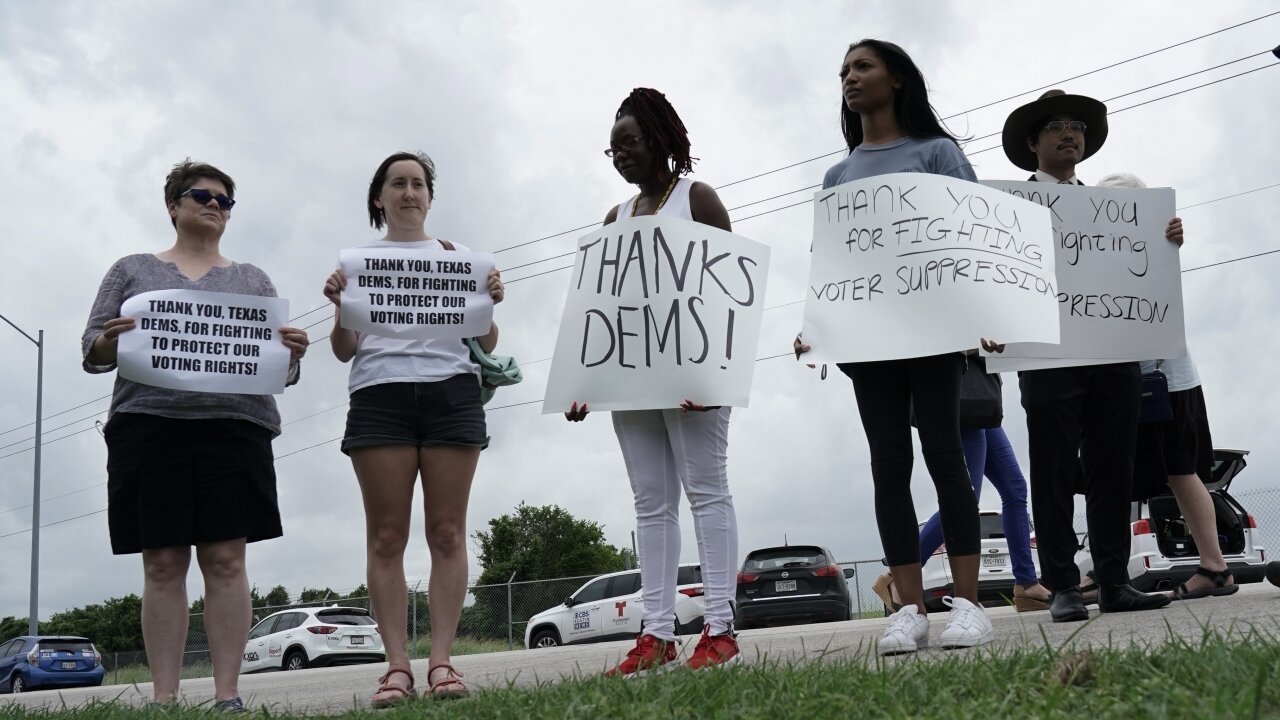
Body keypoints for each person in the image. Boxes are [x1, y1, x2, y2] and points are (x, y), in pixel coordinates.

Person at [81, 160, 309, 713]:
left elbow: (280, 369)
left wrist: (293, 354)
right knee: (162, 563)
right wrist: (111, 343)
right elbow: (91, 351)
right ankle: (165, 698)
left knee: (227, 560)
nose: (214, 205)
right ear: (173, 205)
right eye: (201, 195)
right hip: (149, 427)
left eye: (225, 200)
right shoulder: (131, 270)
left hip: (236, 430)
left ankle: (228, 695)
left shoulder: (254, 280)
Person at [794, 40, 992, 656]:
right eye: (844, 70)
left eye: (862, 67)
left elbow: (973, 235)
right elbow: (833, 263)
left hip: (933, 335)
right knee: (888, 466)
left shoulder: (938, 153)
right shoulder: (839, 174)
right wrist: (817, 325)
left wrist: (986, 313)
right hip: (867, 343)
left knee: (944, 456)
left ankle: (969, 603)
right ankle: (909, 609)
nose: (850, 78)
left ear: (898, 80)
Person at [564, 88, 741, 676]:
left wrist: (712, 375)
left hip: (693, 381)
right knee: (651, 503)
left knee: (706, 491)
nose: (620, 155)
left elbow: (729, 294)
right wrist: (584, 383)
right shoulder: (615, 220)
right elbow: (601, 311)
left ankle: (719, 628)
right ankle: (657, 634)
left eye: (630, 143)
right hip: (633, 383)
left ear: (661, 139)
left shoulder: (698, 199)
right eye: (612, 148)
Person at [994, 90, 1181, 622]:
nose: (1068, 134)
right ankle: (1062, 587)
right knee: (1052, 470)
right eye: (1055, 127)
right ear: (1033, 143)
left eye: (1076, 126)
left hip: (1114, 352)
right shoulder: (1008, 205)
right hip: (1047, 355)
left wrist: (1166, 238)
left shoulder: (1118, 212)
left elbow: (1147, 269)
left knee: (1111, 469)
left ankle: (1115, 580)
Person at [323, 152, 503, 704]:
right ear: (379, 197)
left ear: (430, 196)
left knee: (447, 532)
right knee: (386, 536)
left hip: (452, 391)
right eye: (397, 184)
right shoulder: (357, 264)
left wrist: (491, 303)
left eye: (418, 184)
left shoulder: (460, 258)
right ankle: (396, 667)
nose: (408, 192)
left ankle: (444, 663)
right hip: (380, 395)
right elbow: (343, 351)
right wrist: (338, 307)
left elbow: (487, 343)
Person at [1098, 172, 1236, 600]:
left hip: (1164, 381)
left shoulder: (1156, 243)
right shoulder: (1097, 251)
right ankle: (1112, 571)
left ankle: (1213, 566)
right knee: (1130, 474)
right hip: (1141, 378)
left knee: (1176, 472)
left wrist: (1170, 241)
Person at [873, 358, 1051, 613]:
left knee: (1015, 489)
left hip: (979, 389)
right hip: (960, 388)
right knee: (966, 498)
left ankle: (1025, 582)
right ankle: (896, 577)